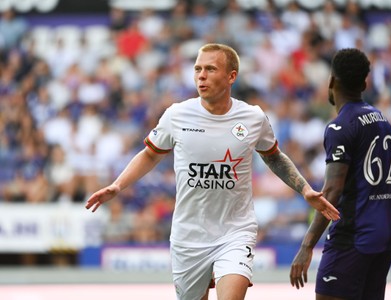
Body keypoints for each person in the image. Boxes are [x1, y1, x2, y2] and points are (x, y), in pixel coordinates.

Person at [85, 43, 340, 300]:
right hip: (189, 236)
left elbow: (274, 157)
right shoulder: (177, 115)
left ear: (231, 76)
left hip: (235, 231)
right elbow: (150, 154)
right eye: (197, 69)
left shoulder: (252, 118)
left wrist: (304, 189)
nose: (201, 76)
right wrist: (117, 186)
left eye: (210, 69)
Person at [290, 48, 391, 300]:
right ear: (364, 83)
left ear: (331, 82)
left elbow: (331, 192)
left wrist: (307, 246)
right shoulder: (383, 121)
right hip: (383, 237)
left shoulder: (340, 126)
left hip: (352, 237)